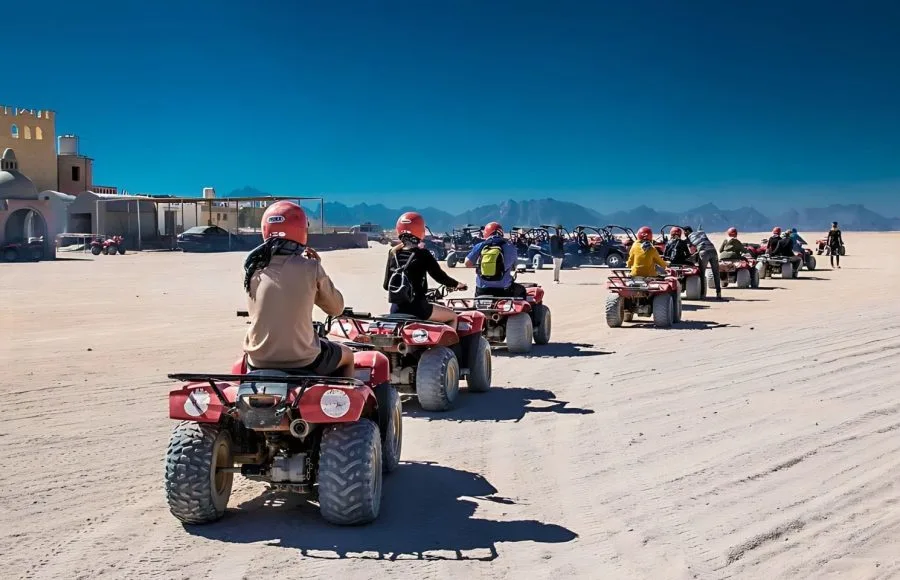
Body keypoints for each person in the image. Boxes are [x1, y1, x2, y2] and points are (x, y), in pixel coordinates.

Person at [242, 201, 355, 378]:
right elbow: (336, 308)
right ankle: (342, 401)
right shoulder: (310, 268)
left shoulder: (252, 270)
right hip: (303, 360)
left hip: (257, 359)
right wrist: (318, 269)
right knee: (347, 354)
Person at [384, 212, 466, 327]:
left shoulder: (393, 253)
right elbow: (440, 277)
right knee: (453, 316)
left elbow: (386, 285)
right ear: (420, 231)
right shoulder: (423, 254)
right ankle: (449, 345)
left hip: (395, 309)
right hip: (419, 309)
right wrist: (458, 284)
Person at [464, 221, 527, 298]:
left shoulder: (480, 245)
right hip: (503, 290)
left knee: (477, 297)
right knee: (522, 290)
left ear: (486, 233)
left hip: (482, 290)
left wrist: (481, 265)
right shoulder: (511, 247)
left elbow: (467, 263)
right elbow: (515, 264)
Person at [683, 226, 722, 300]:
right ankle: (718, 293)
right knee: (716, 273)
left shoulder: (690, 237)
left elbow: (689, 249)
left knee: (702, 274)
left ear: (687, 231)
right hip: (713, 251)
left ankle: (702, 295)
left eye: (684, 232)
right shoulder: (700, 233)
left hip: (704, 252)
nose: (684, 233)